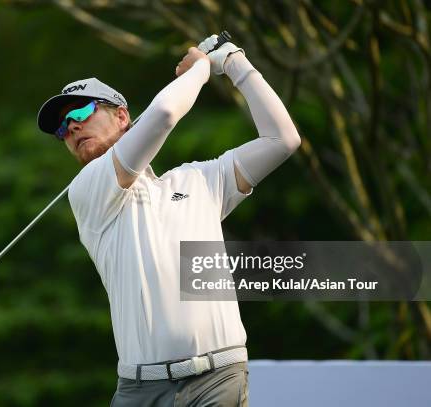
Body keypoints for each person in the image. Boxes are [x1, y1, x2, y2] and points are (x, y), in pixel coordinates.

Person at [37, 34, 301, 407]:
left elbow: (282, 139)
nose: (72, 128)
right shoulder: (87, 191)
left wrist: (233, 62)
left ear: (122, 116)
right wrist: (200, 71)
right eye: (62, 129)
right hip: (139, 390)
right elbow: (163, 115)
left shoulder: (199, 181)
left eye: (80, 114)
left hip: (218, 377)